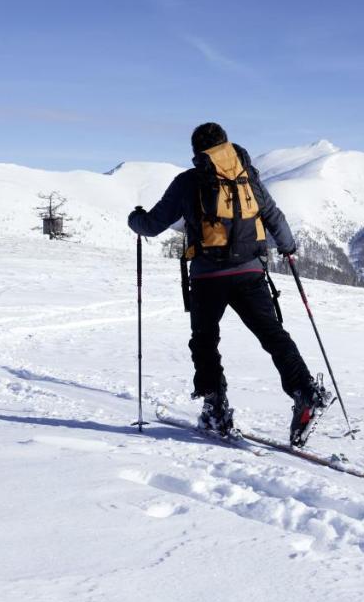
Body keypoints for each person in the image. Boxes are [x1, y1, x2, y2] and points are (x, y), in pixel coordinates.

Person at [128, 122, 331, 446]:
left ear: (197, 152)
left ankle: (216, 409)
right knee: (272, 334)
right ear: (227, 146)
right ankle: (306, 391)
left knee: (205, 341)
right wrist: (288, 247)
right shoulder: (247, 177)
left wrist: (134, 219)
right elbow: (273, 215)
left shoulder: (188, 182)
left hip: (208, 277)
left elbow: (151, 226)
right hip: (250, 273)